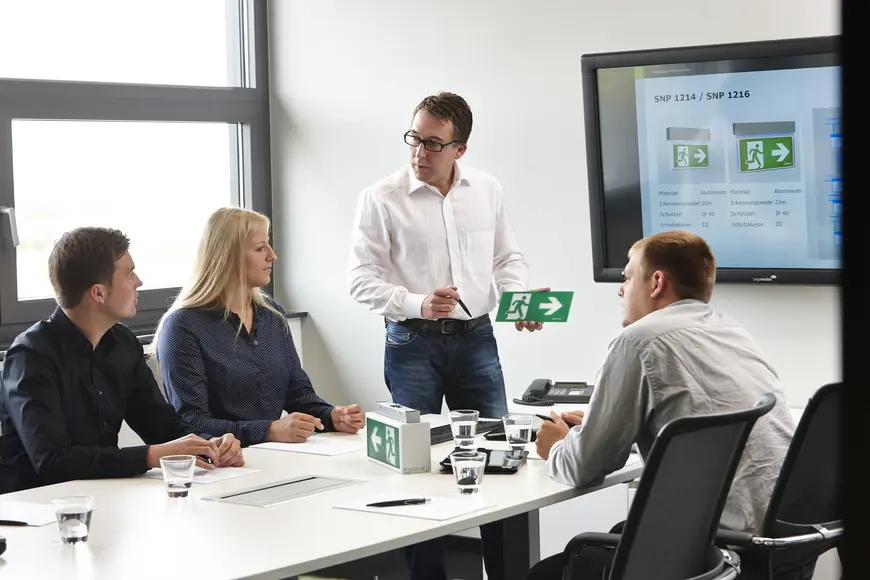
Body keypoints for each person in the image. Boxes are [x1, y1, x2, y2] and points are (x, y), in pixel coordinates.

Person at [530, 231, 811, 580]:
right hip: (784, 542)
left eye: (627, 277)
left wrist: (557, 446)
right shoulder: (730, 330)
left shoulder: (638, 340)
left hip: (716, 549)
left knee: (545, 573)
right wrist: (609, 424)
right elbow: (699, 418)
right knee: (618, 532)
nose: (620, 290)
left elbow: (584, 467)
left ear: (657, 283)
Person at [347, 92, 545, 580]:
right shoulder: (380, 198)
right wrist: (418, 302)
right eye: (414, 138)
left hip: (477, 339)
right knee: (415, 467)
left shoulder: (487, 189)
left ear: (460, 148)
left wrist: (517, 299)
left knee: (502, 457)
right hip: (411, 343)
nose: (420, 152)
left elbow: (508, 259)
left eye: (433, 143)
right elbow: (360, 281)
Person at [0, 227, 244, 494]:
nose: (139, 282)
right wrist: (151, 455)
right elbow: (53, 461)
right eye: (129, 274)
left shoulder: (124, 343)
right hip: (34, 503)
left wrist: (210, 445)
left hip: (103, 494)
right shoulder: (30, 356)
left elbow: (162, 426)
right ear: (98, 293)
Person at [150, 207, 364, 448]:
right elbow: (192, 422)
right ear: (228, 256)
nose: (272, 256)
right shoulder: (183, 326)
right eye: (260, 248)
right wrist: (268, 430)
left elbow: (298, 393)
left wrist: (331, 415)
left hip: (276, 455)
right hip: (221, 462)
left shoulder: (272, 314)